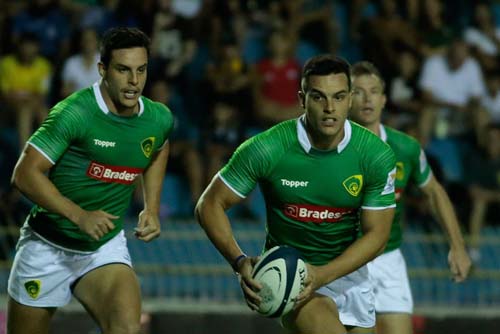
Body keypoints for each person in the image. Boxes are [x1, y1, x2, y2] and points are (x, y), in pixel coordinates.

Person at [195, 54, 397, 334]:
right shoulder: (268, 148)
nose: (329, 108)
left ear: (350, 99)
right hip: (292, 278)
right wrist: (239, 261)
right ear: (302, 99)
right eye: (318, 97)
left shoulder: (375, 155)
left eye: (338, 97)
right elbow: (209, 204)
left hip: (349, 275)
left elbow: (378, 235)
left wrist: (324, 274)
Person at [7, 27, 174, 334]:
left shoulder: (158, 118)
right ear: (103, 70)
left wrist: (151, 207)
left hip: (102, 248)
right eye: (123, 70)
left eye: (141, 70)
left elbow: (160, 146)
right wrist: (78, 215)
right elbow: (24, 174)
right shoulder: (74, 113)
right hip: (46, 246)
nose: (134, 82)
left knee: (126, 328)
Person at [349, 61, 471, 334]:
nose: (367, 98)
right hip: (347, 259)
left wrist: (458, 245)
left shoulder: (405, 148)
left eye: (374, 91)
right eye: (357, 91)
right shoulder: (334, 149)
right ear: (346, 99)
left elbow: (435, 191)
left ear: (383, 99)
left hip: (389, 258)